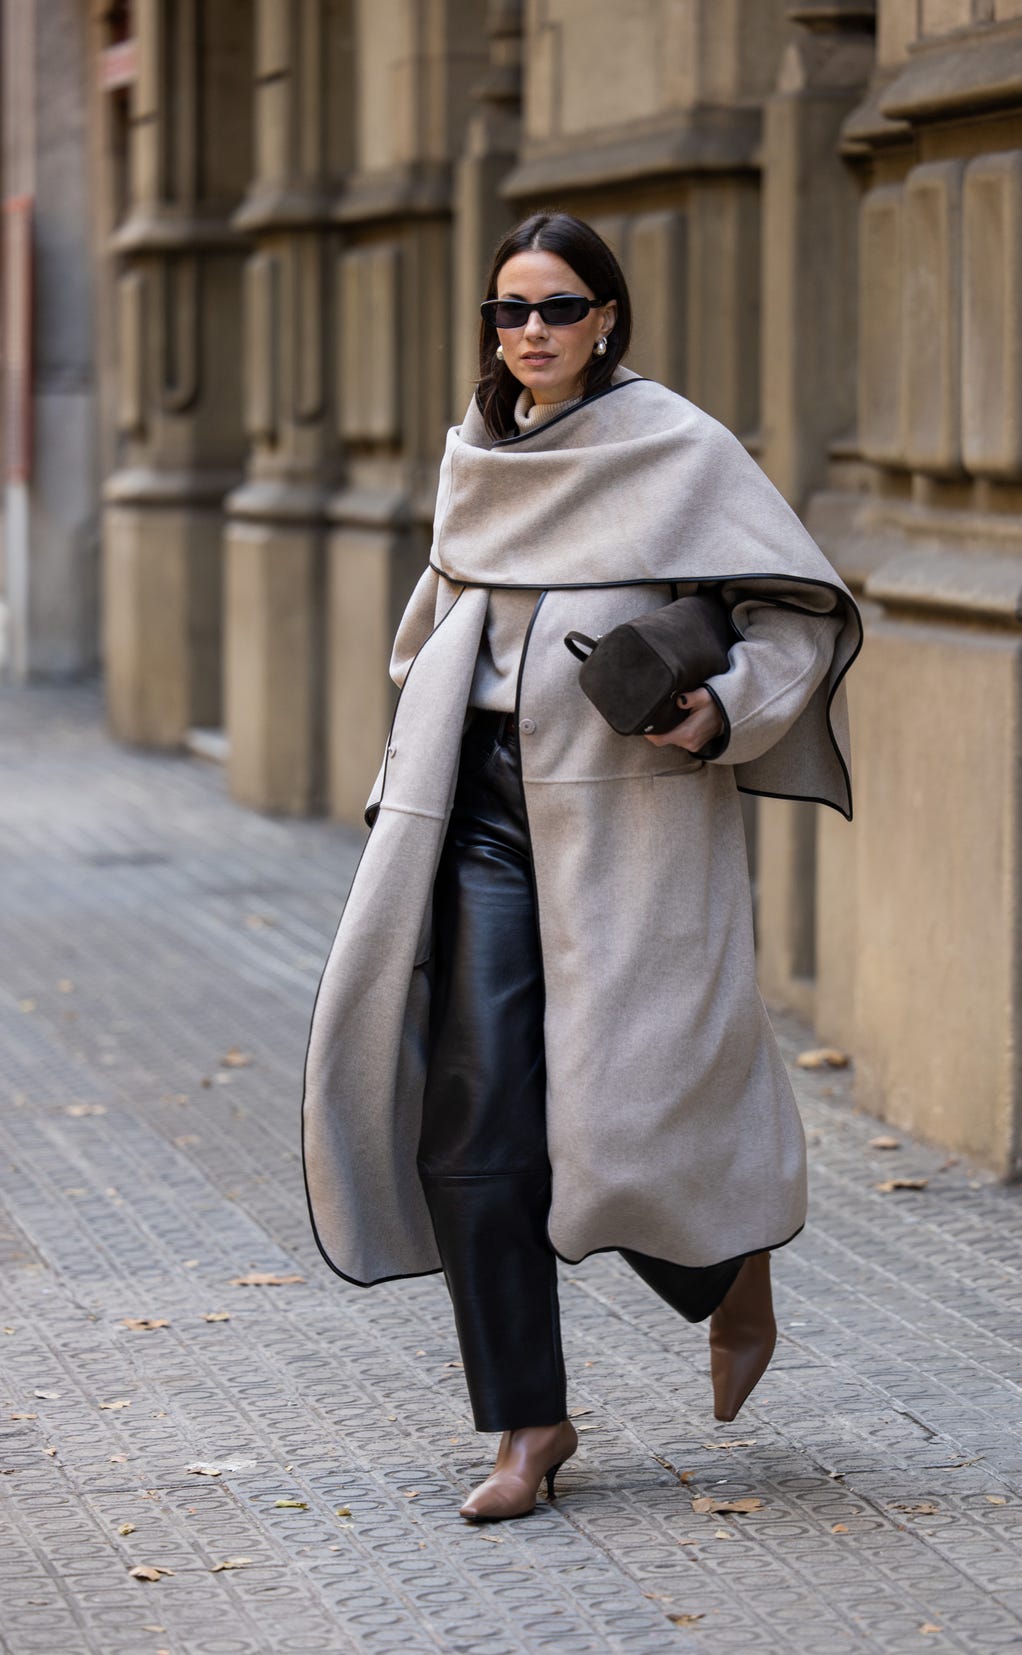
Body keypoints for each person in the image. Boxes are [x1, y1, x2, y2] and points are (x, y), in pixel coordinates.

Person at [302, 211, 861, 1523]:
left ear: (606, 316)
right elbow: (438, 609)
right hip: (477, 809)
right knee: (473, 1116)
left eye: (558, 307)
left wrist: (722, 708)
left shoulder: (678, 446)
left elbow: (792, 615)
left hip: (629, 812)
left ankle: (722, 1266)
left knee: (628, 1103)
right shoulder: (475, 452)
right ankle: (528, 1422)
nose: (533, 333)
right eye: (510, 310)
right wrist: (422, 723)